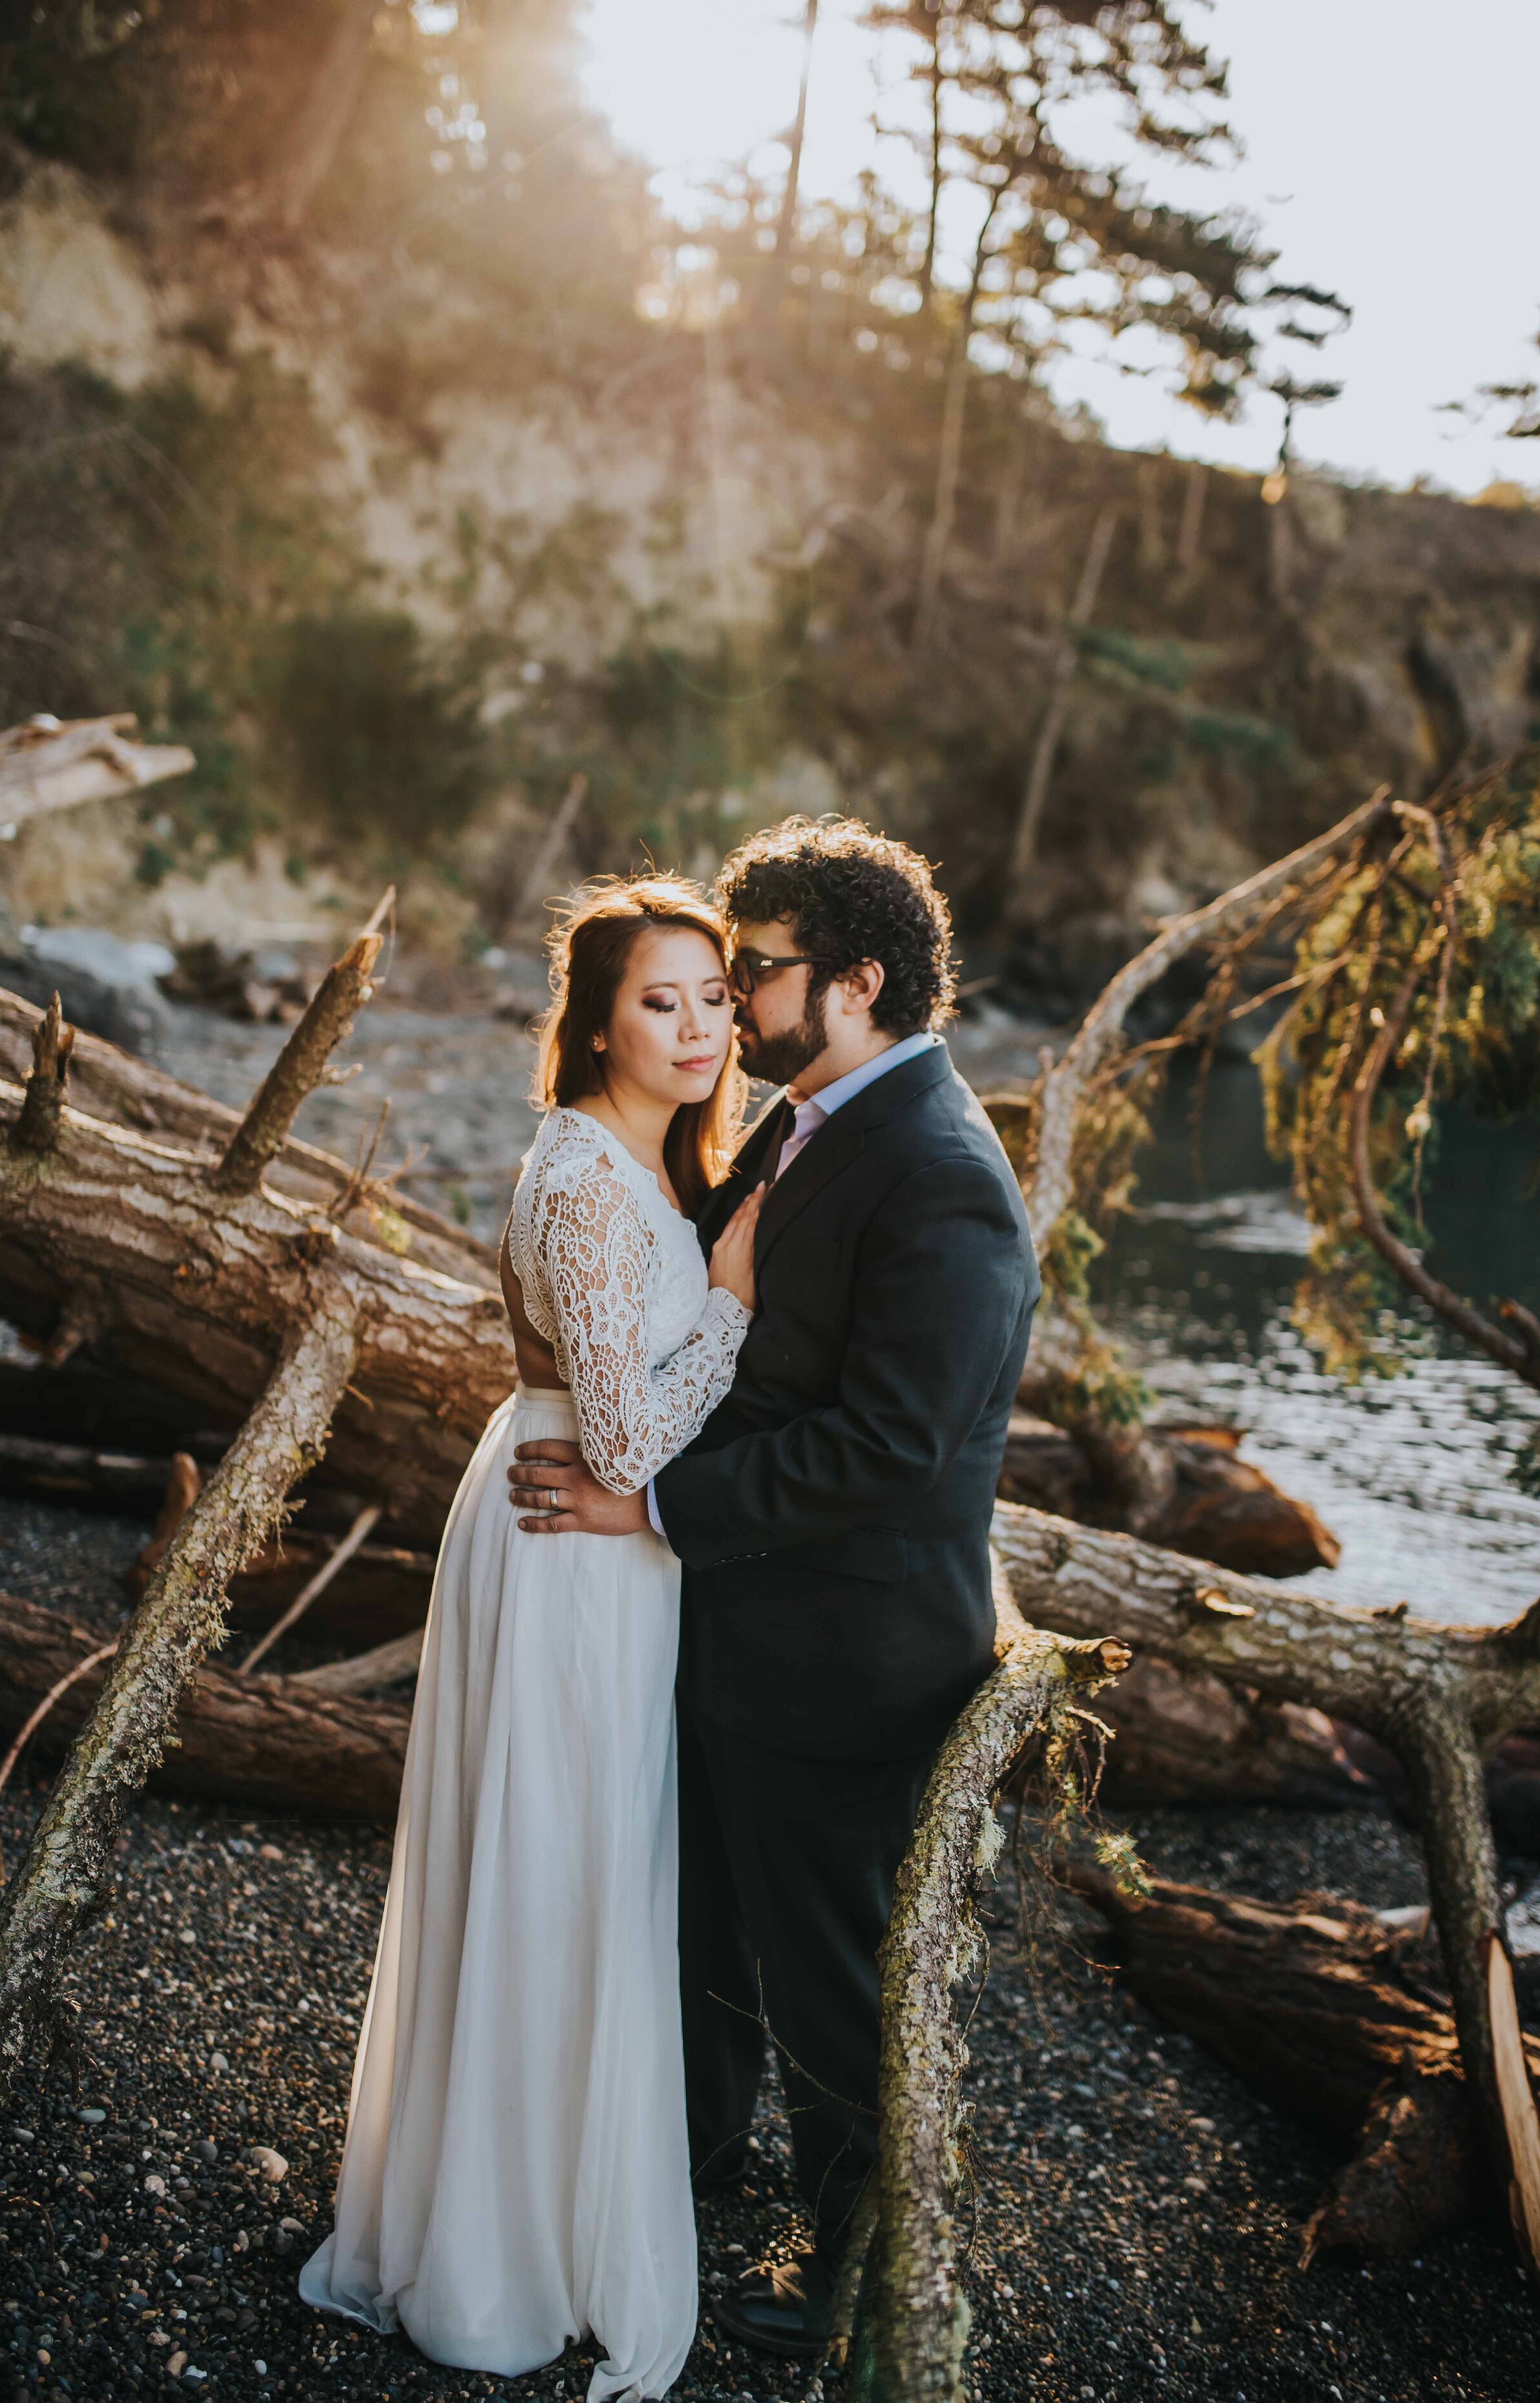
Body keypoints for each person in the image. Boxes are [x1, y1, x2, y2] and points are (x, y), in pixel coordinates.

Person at [509, 817, 1041, 2359]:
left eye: (757, 973)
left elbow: (890, 1445)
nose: (730, 1003)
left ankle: (849, 2281)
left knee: (822, 1974)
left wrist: (650, 1499)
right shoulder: (809, 1115)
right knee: (703, 1932)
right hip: (732, 1613)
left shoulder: (938, 1171)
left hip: (846, 1650)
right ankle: (679, 2177)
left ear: (859, 980)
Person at [300, 875, 764, 2402]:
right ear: (593, 1020)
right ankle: (494, 2262)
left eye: (710, 997)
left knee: (581, 1867)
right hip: (571, 1538)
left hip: (595, 1546)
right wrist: (735, 1307)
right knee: (552, 1868)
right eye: (658, 999)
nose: (695, 1027)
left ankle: (549, 2223)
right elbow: (627, 1442)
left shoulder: (652, 1159)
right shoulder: (577, 1173)